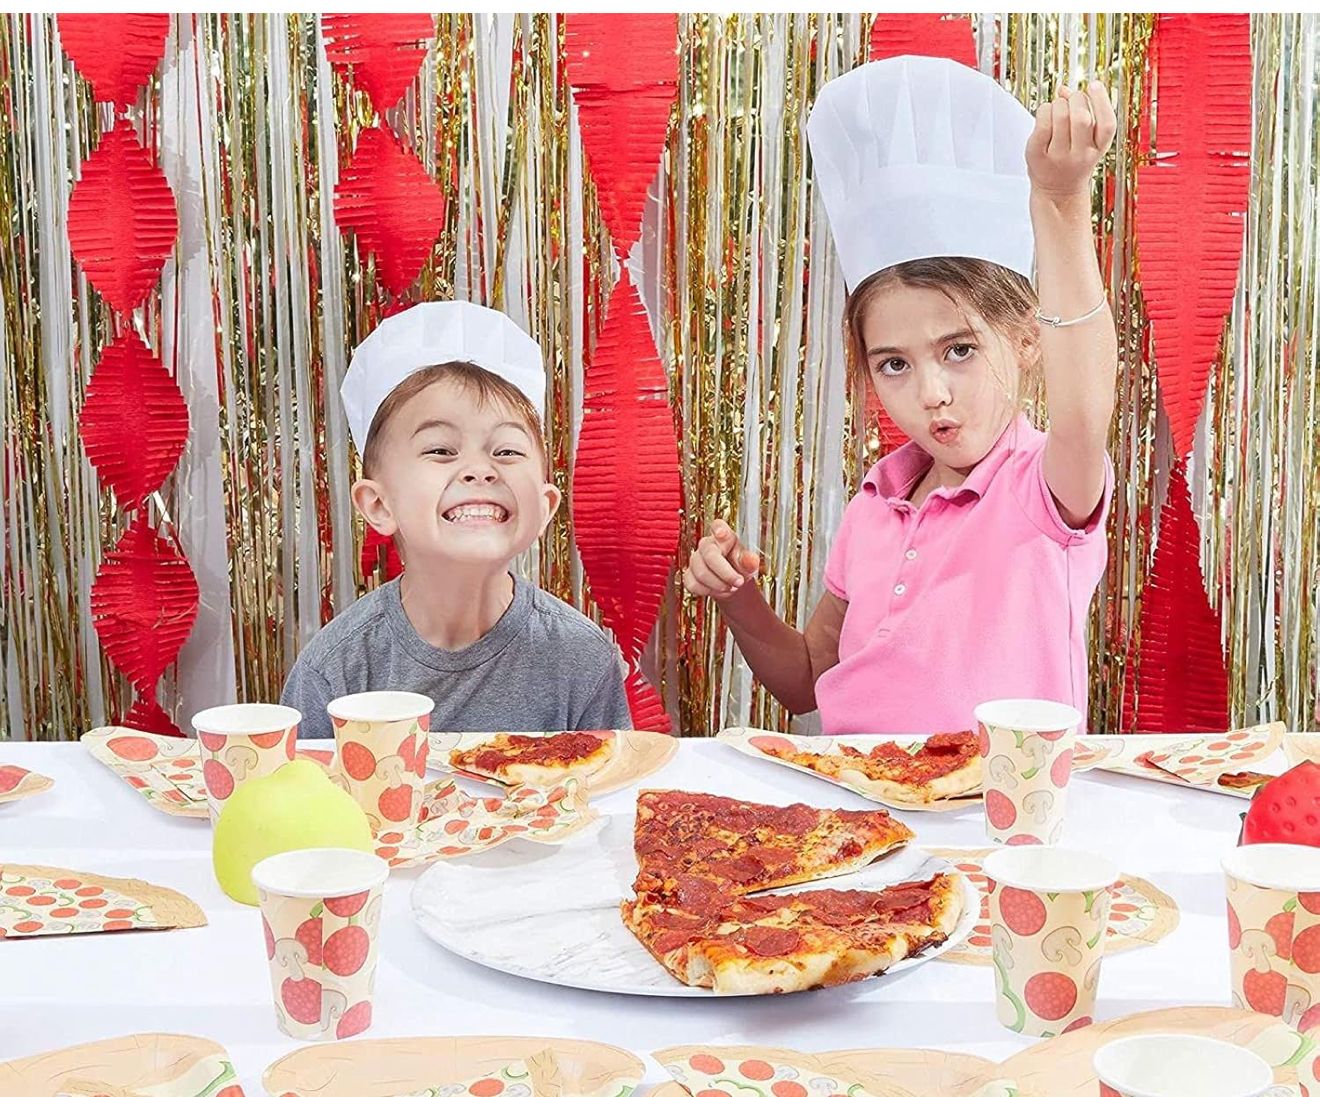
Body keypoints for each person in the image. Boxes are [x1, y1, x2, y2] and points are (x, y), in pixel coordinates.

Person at [682, 56, 1119, 735]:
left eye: (960, 349)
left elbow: (1086, 412)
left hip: (995, 812)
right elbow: (808, 680)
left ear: (1028, 340)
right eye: (894, 364)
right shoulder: (875, 505)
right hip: (862, 812)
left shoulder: (1041, 488)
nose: (932, 393)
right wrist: (739, 599)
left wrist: (1059, 206)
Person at [283, 301, 632, 738]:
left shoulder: (581, 658)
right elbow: (302, 796)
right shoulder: (337, 667)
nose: (480, 469)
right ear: (378, 504)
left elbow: (606, 794)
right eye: (441, 450)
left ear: (543, 507)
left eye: (506, 450)